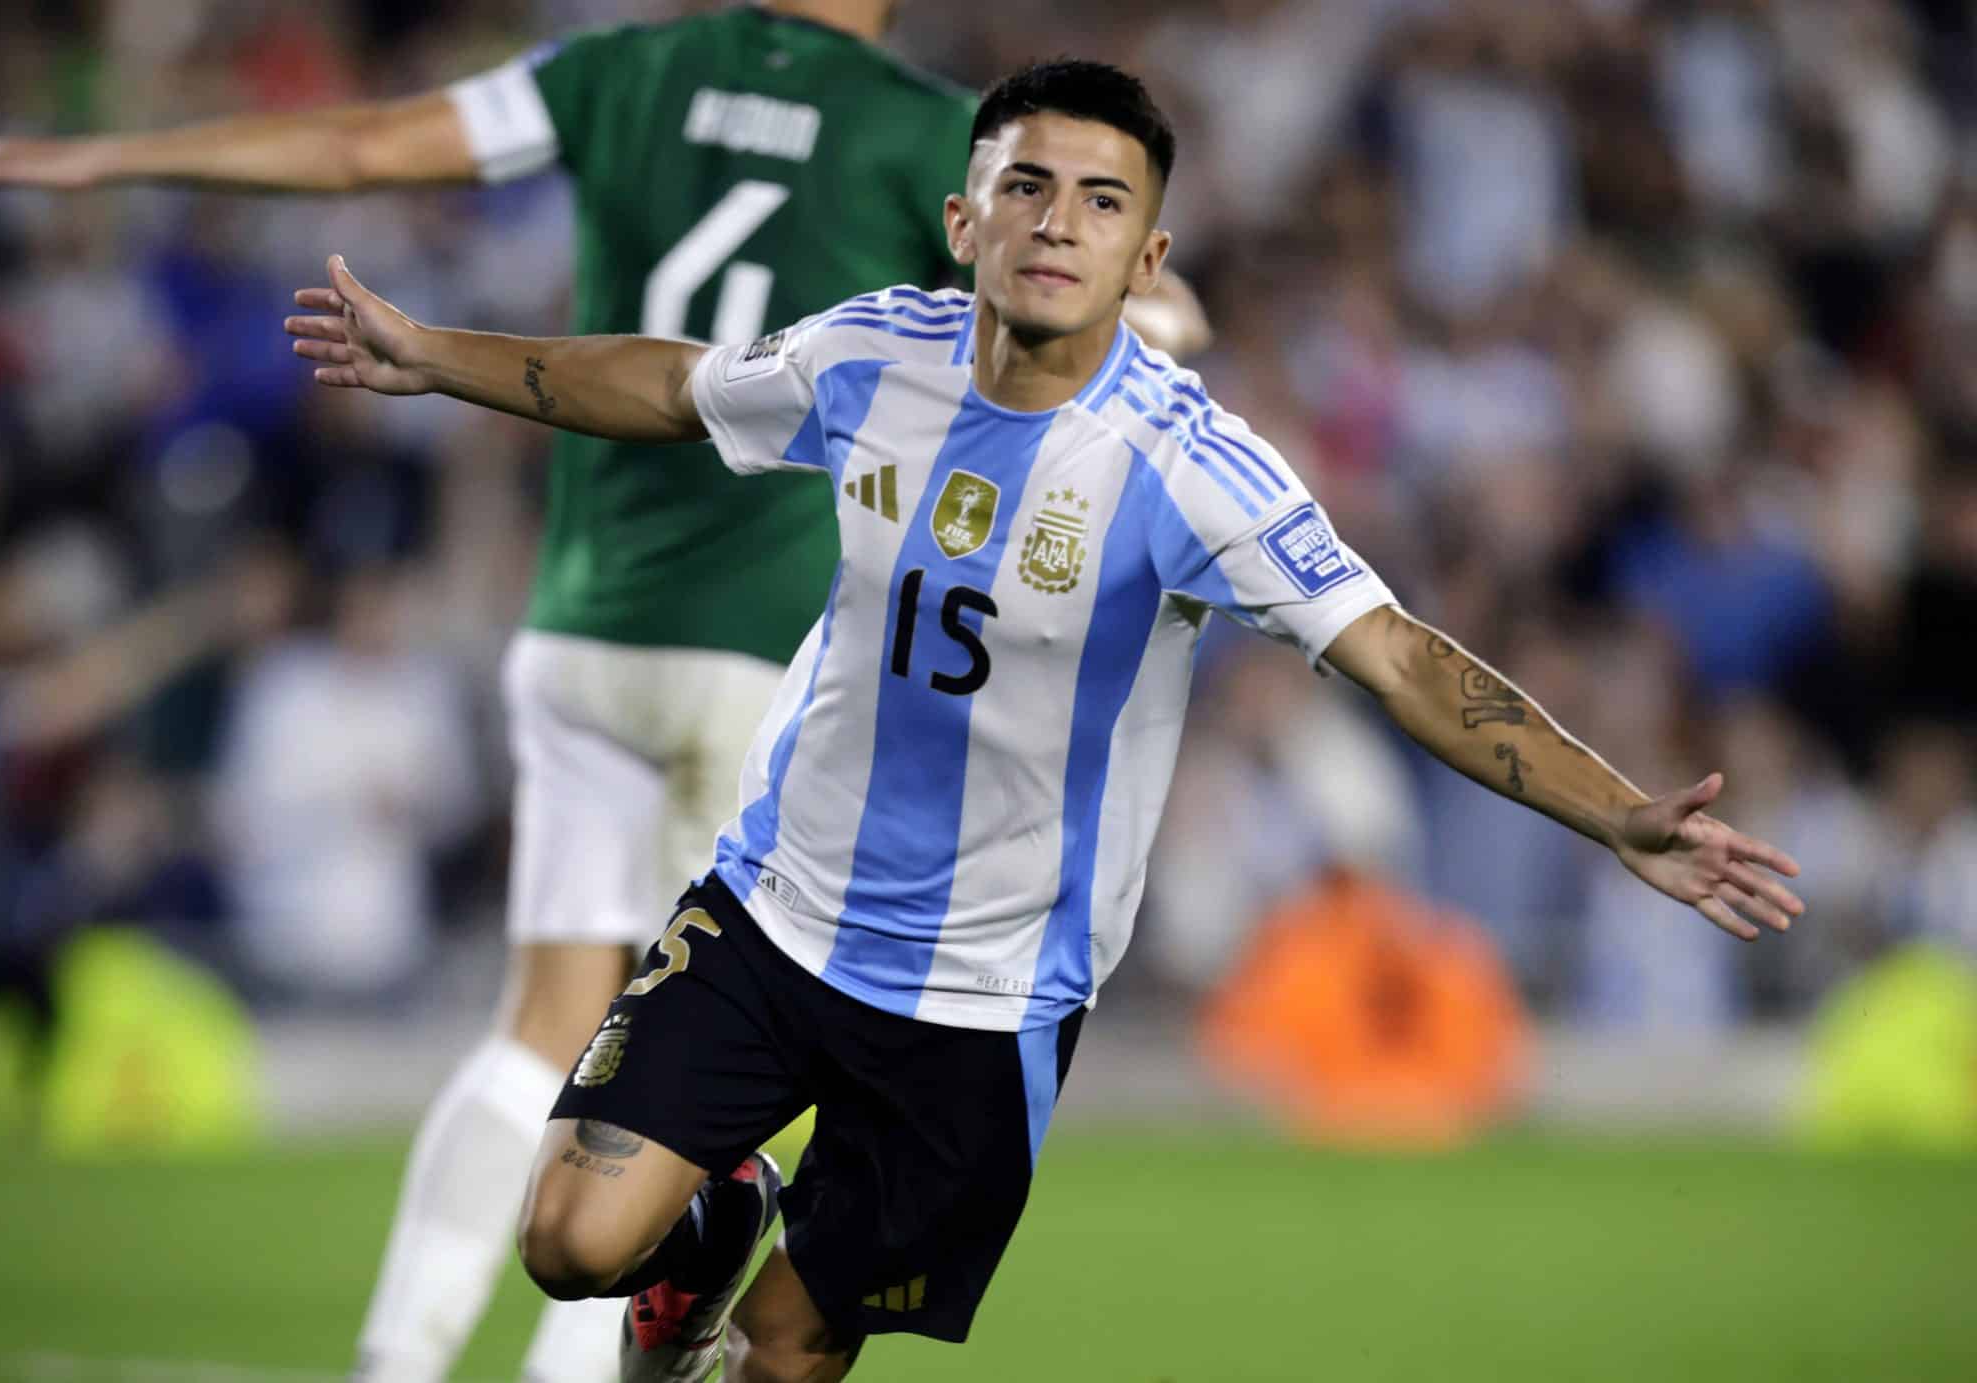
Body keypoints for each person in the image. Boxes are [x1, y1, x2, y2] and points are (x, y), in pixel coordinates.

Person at [284, 56, 1805, 1383]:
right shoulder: (871, 353)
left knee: (790, 1351)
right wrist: (434, 358)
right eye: (1027, 186)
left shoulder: (1189, 465)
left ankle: (736, 1279)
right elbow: (678, 387)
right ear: (966, 221)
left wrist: (1618, 811)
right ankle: (712, 1225)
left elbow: (1402, 660)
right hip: (776, 911)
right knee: (567, 1241)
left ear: (1150, 255)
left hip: (985, 995)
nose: (1058, 222)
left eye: (1100, 200)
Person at [0, 7, 1209, 1381]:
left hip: (585, 620)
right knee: (687, 1108)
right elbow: (1119, 319)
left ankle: (397, 1358)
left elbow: (365, 147)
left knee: (543, 1030)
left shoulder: (626, 71)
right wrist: (1160, 310)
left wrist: (98, 157)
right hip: (760, 649)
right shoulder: (930, 131)